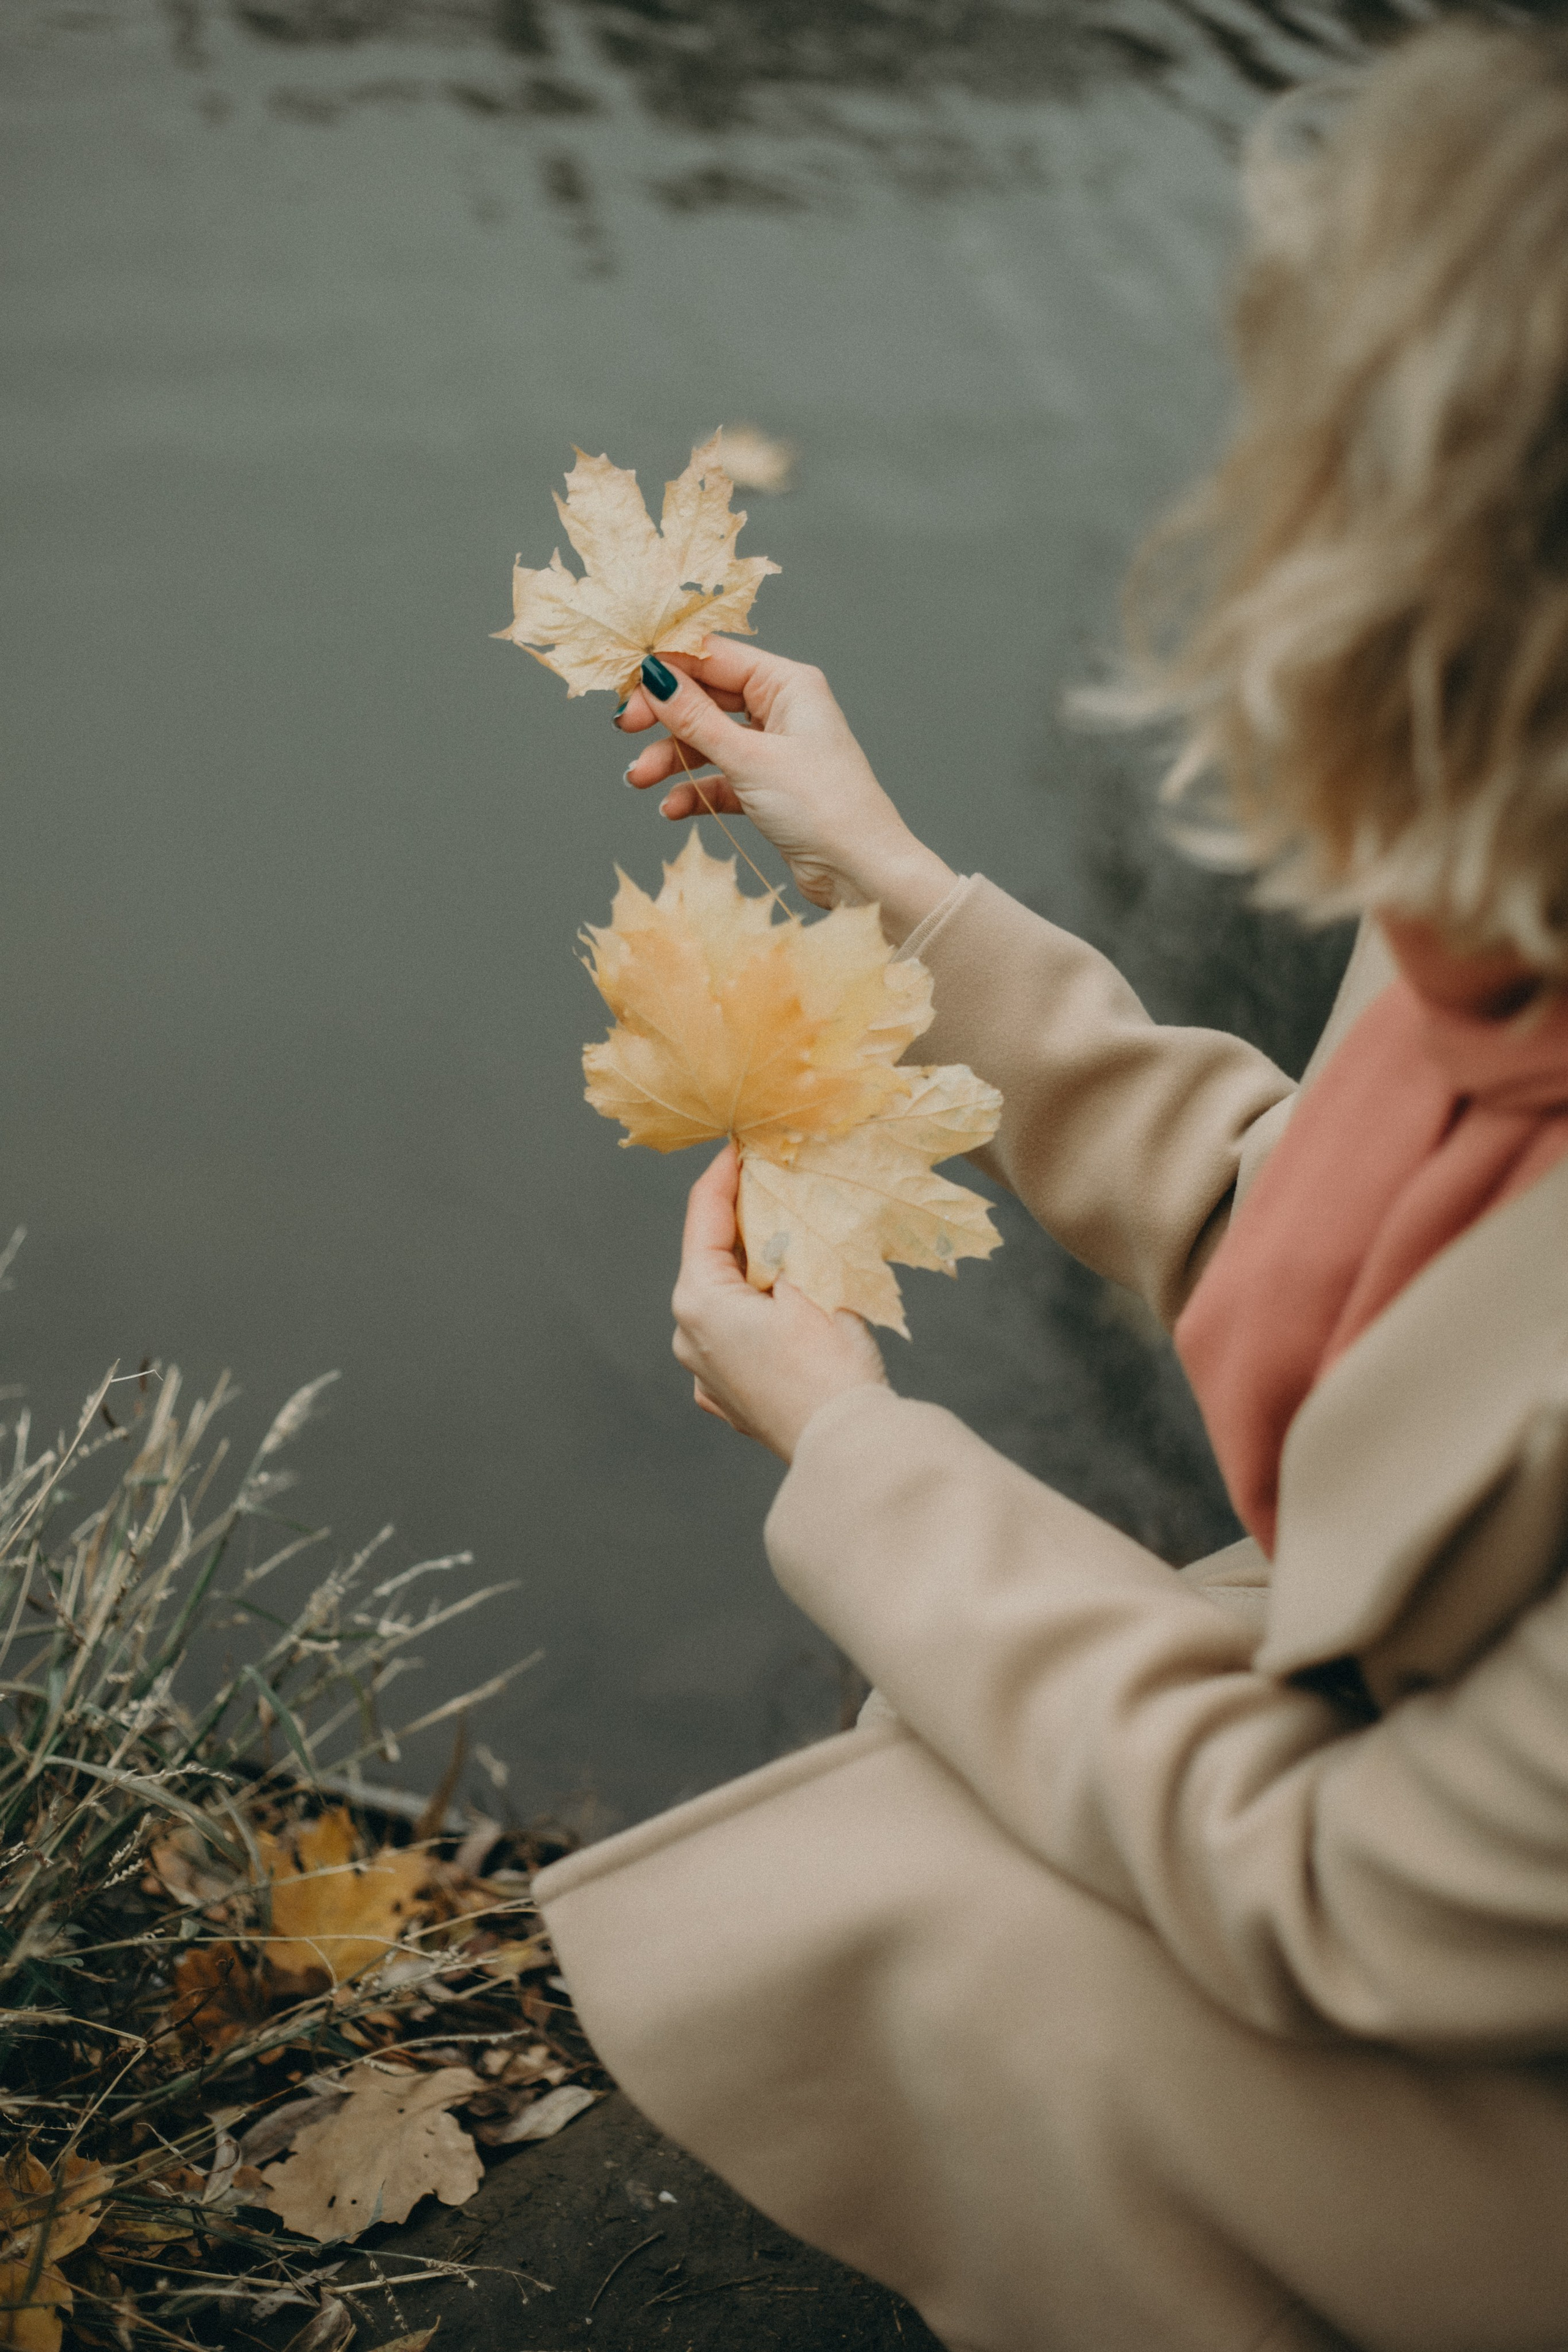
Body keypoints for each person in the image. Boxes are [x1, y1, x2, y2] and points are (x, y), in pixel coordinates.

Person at [532, 24, 1568, 2351]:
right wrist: (898, 886)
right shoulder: (1522, 937)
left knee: (956, 1915)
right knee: (980, 1721)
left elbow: (1332, 1892)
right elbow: (1376, 1250)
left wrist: (861, 1452)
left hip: (1436, 1933)